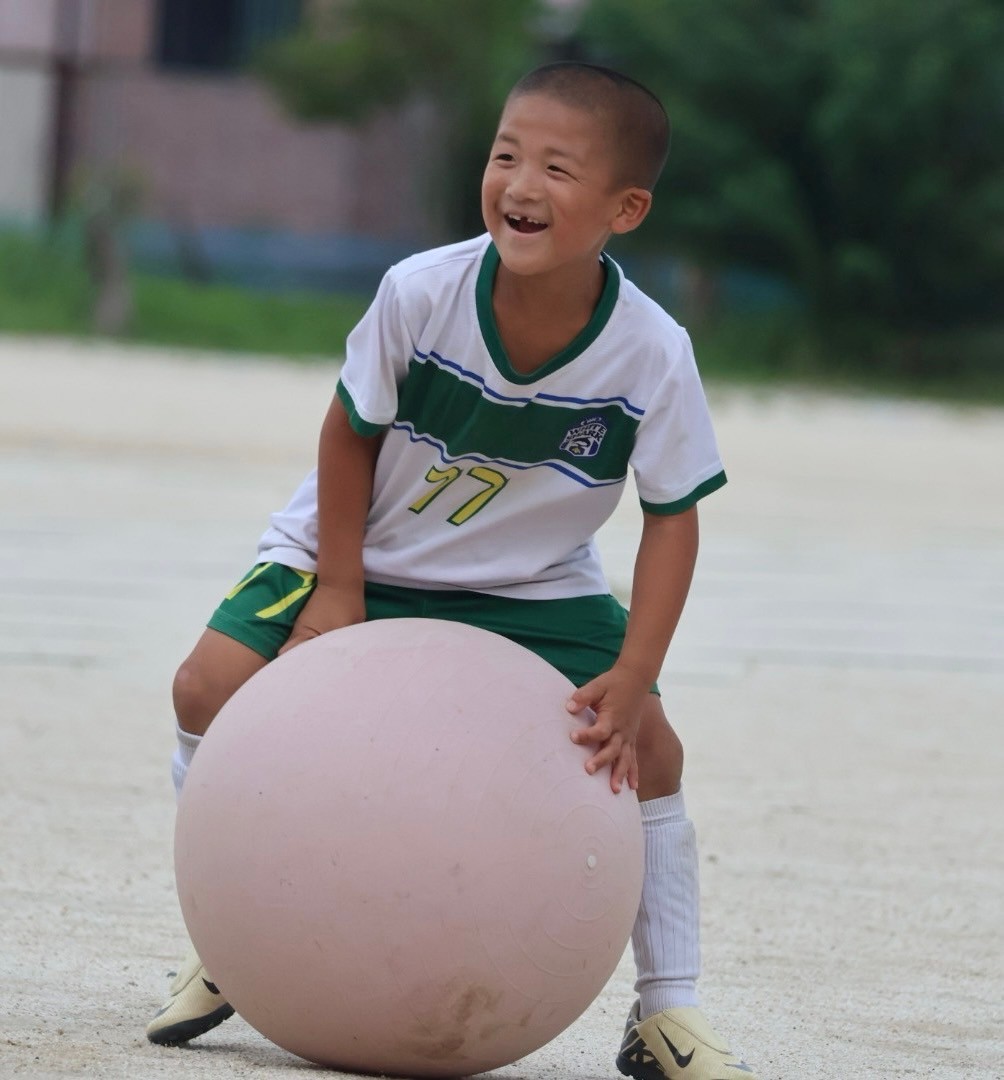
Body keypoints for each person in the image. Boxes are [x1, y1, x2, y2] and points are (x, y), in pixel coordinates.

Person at [146, 61, 758, 1080]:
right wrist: (338, 586)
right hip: (354, 547)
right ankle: (237, 940)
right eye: (504, 154)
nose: (518, 182)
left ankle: (664, 1012)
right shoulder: (421, 291)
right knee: (204, 685)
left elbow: (671, 521)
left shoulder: (650, 351)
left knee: (649, 751)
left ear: (625, 208)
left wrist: (636, 674)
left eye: (555, 167)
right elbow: (346, 436)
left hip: (529, 582)